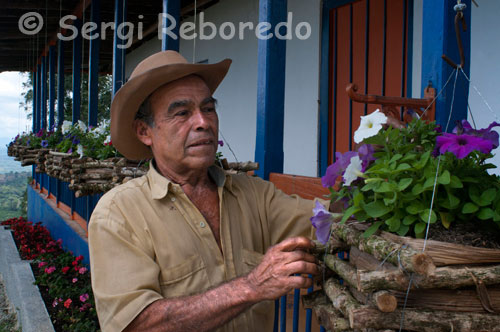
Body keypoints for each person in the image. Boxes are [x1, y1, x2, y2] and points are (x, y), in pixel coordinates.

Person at [88, 51, 329, 332]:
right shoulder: (118, 214)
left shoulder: (255, 196)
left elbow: (327, 220)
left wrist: (379, 179)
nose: (203, 122)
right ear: (145, 131)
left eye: (209, 108)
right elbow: (138, 325)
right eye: (182, 113)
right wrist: (251, 286)